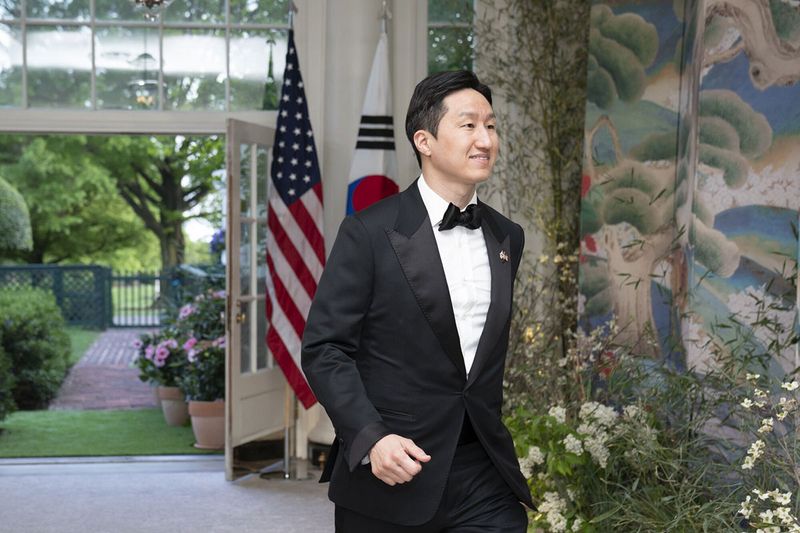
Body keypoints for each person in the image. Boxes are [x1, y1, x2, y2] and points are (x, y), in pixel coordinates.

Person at [301, 70, 533, 532]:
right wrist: (371, 437)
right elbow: (325, 349)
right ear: (424, 140)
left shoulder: (508, 236)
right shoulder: (367, 233)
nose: (485, 139)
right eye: (468, 125)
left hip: (483, 474)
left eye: (491, 125)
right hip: (393, 470)